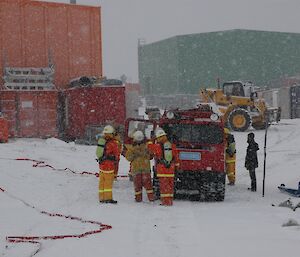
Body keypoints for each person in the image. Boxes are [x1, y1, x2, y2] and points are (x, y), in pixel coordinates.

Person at [148, 128, 178, 206]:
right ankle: (170, 201)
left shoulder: (157, 146)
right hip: (171, 170)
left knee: (164, 187)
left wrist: (151, 140)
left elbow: (149, 147)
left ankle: (165, 202)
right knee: (170, 186)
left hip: (162, 170)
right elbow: (176, 158)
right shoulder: (172, 145)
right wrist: (176, 167)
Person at [125, 130, 154, 202]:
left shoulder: (132, 148)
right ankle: (151, 198)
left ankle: (138, 199)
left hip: (136, 169)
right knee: (148, 186)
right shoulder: (147, 147)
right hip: (146, 169)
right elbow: (151, 156)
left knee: (137, 186)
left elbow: (128, 158)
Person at [96, 125, 120, 204]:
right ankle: (108, 198)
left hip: (102, 165)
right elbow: (116, 155)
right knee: (108, 183)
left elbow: (99, 153)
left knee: (102, 182)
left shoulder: (102, 141)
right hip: (109, 166)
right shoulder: (113, 143)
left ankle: (101, 197)